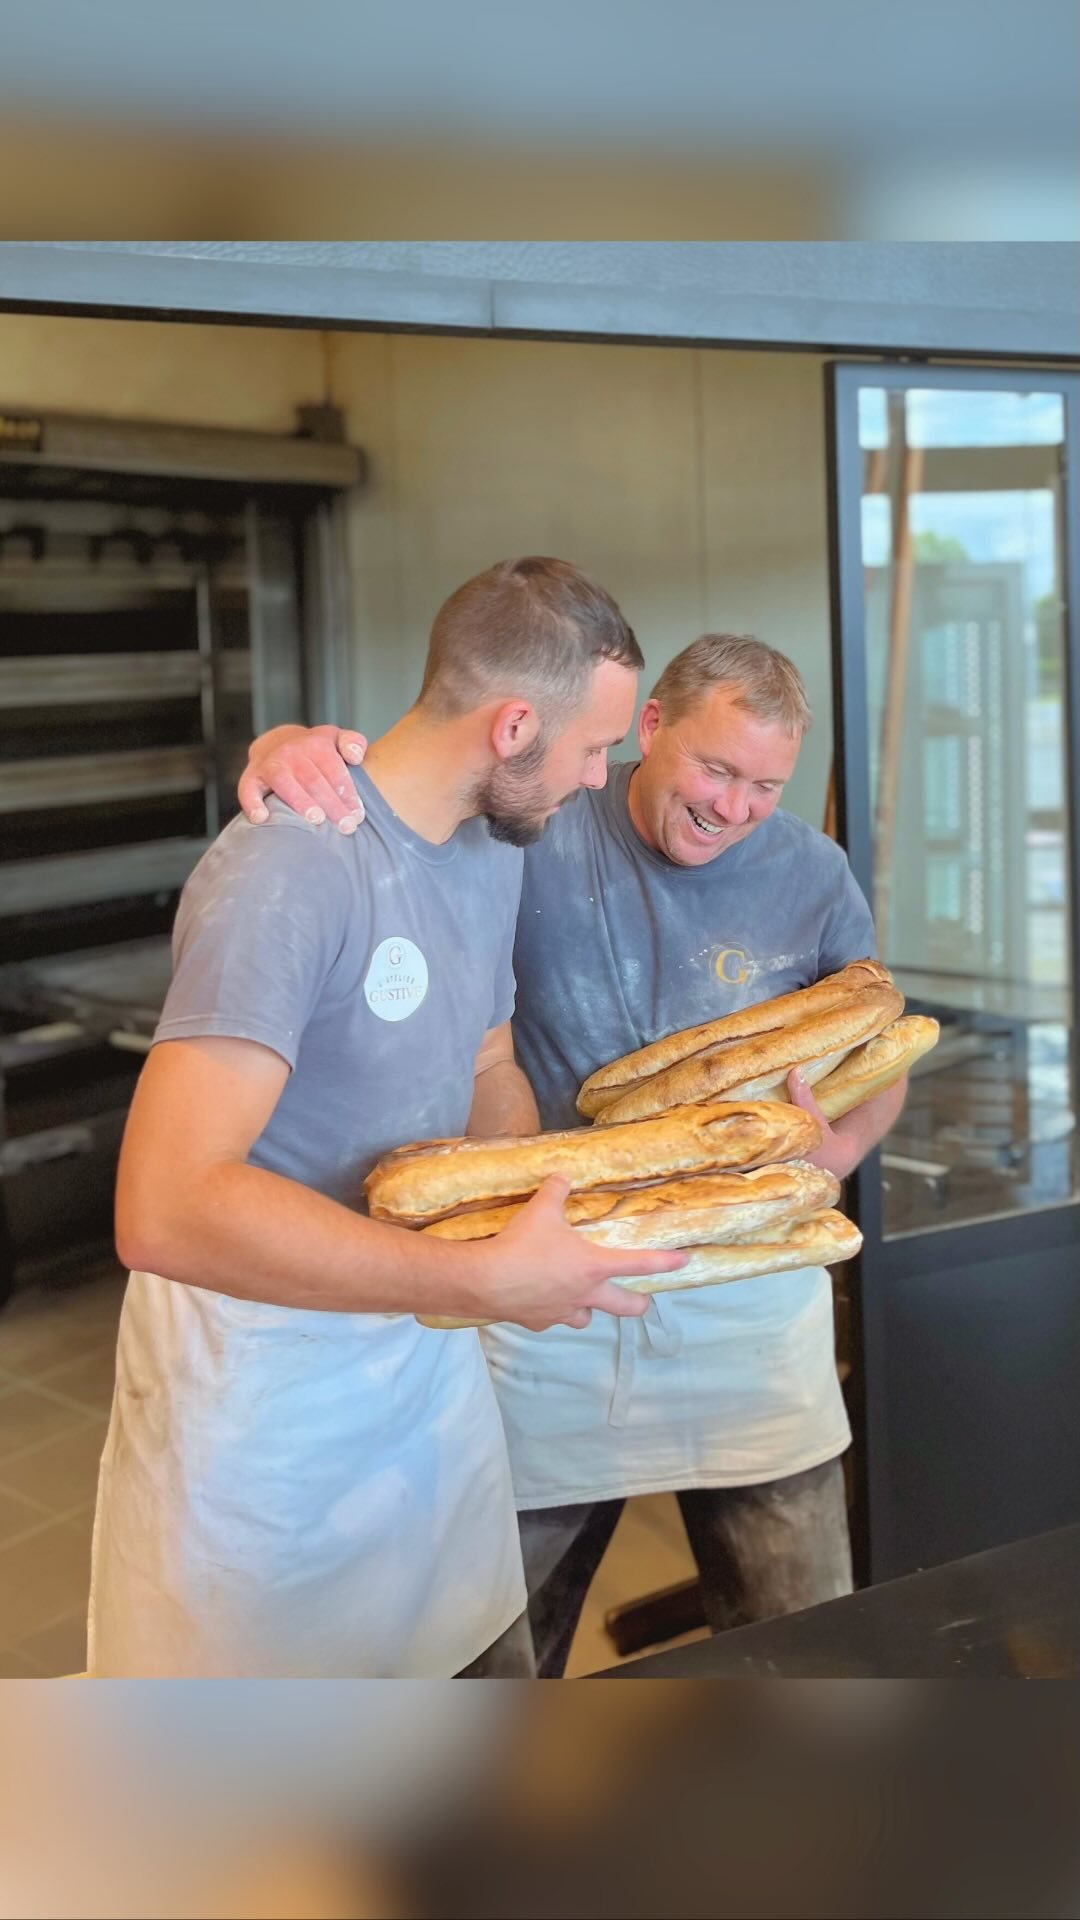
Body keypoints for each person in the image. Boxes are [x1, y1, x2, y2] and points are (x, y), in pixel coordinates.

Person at [243, 631, 909, 1677]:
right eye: (717, 769)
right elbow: (403, 800)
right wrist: (288, 746)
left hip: (748, 1311)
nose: (735, 808)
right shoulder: (531, 828)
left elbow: (883, 1058)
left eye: (765, 785)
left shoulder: (814, 876)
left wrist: (838, 1148)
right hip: (551, 1296)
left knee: (807, 1653)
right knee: (498, 1652)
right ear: (648, 730)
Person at [88, 557, 686, 1679]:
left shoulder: (491, 848)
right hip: (263, 1394)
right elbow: (162, 1208)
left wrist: (530, 1210)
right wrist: (471, 1283)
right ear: (514, 724)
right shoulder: (290, 868)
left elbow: (485, 1053)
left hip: (419, 1365)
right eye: (593, 746)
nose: (600, 779)